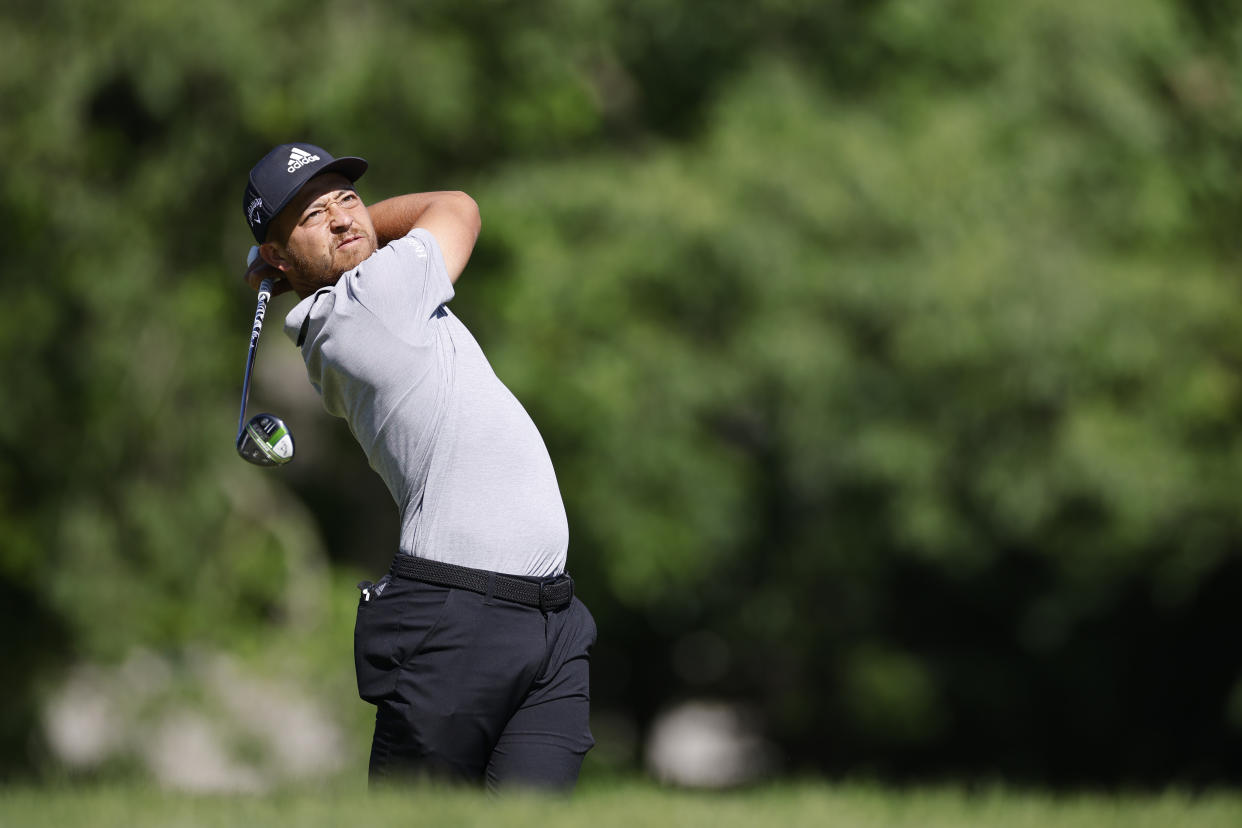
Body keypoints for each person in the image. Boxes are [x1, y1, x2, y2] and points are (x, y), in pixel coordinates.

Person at [240, 143, 596, 791]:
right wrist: (368, 223)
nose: (345, 218)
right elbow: (456, 206)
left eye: (347, 198)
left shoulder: (371, 295)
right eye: (313, 214)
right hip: (456, 617)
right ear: (276, 256)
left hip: (548, 618)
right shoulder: (371, 300)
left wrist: (333, 233)